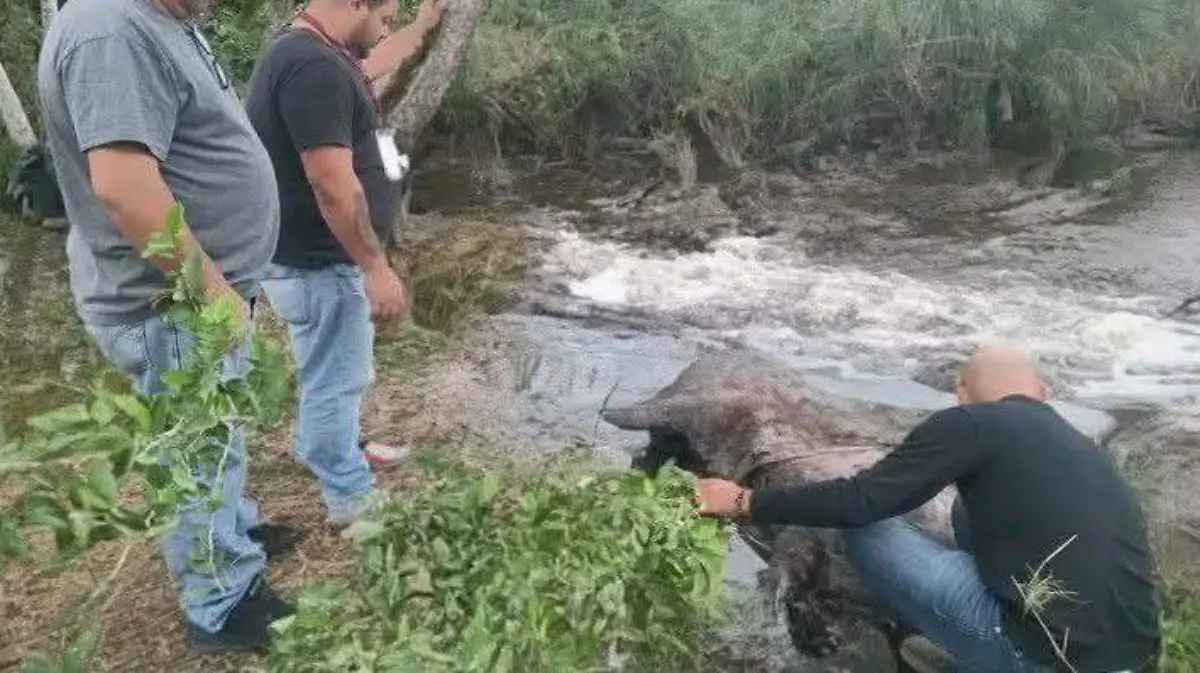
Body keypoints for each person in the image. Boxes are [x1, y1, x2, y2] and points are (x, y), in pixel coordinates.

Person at [36, 0, 294, 653]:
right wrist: (210, 293)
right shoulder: (108, 30)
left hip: (194, 293)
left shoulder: (159, 20)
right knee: (198, 450)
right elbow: (124, 186)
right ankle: (222, 600)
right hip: (170, 303)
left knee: (216, 436)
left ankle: (230, 533)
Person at [696, 346, 1162, 673]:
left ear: (961, 393)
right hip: (1133, 656)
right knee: (962, 518)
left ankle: (944, 647)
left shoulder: (972, 422)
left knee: (868, 529)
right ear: (1043, 390)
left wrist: (743, 500)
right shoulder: (1084, 448)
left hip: (1037, 656)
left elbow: (862, 502)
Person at [244, 0, 443, 527]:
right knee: (339, 379)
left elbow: (378, 63)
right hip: (321, 264)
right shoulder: (313, 68)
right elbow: (331, 184)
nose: (387, 28)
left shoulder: (317, 53)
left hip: (305, 261)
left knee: (327, 370)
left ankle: (325, 443)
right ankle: (352, 501)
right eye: (385, 16)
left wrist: (424, 25)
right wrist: (375, 268)